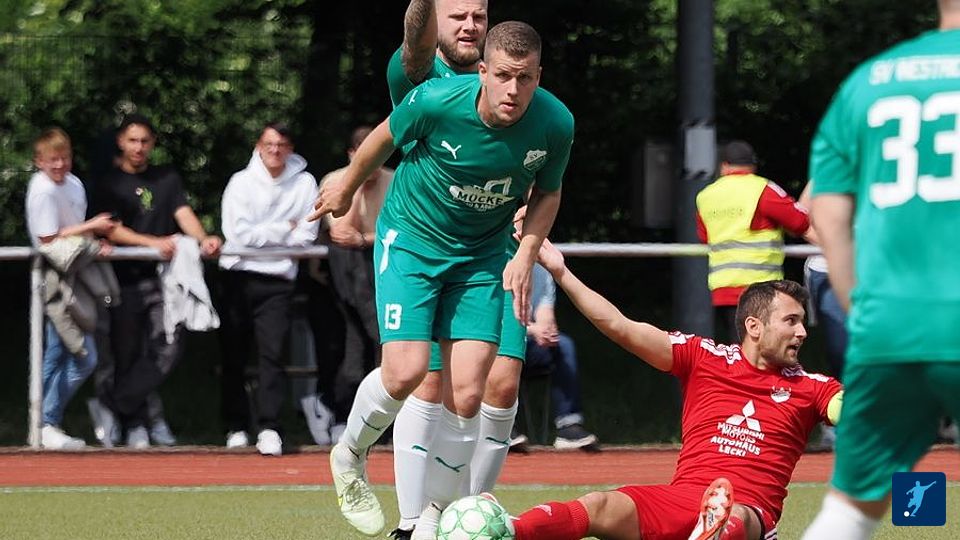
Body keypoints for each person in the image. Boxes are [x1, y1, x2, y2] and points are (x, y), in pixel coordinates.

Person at [311, 21, 573, 538]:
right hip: (412, 243)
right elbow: (383, 137)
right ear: (483, 71)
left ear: (538, 76)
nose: (513, 90)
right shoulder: (435, 99)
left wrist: (526, 252)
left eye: (525, 78)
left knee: (470, 393)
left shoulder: (555, 122)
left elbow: (549, 192)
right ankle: (349, 453)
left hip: (480, 258)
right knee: (406, 371)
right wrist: (344, 189)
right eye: (503, 76)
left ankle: (432, 520)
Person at [492, 241, 842, 540]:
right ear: (754, 326)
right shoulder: (704, 357)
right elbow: (619, 326)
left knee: (734, 520)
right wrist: (560, 271)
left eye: (802, 321)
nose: (802, 332)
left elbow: (852, 408)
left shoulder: (813, 387)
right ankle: (505, 530)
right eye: (791, 321)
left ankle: (712, 531)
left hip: (750, 511)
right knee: (599, 504)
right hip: (681, 500)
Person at [802, 3, 960, 538]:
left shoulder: (867, 82)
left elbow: (825, 213)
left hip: (887, 326)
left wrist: (862, 310)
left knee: (850, 508)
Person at [384, 3, 535, 538]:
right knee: (426, 382)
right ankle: (413, 523)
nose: (469, 25)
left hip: (495, 253)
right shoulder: (419, 74)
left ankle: (467, 514)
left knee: (501, 382)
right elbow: (415, 44)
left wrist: (529, 215)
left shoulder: (511, 76)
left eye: (479, 15)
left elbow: (535, 157)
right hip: (426, 250)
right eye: (456, 15)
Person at [90, 113, 222, 448]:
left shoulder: (167, 179)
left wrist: (204, 239)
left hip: (164, 281)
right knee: (126, 352)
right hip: (124, 282)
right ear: (121, 142)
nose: (139, 147)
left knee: (168, 347)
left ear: (153, 144)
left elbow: (183, 213)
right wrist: (152, 244)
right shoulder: (108, 183)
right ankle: (135, 423)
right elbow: (111, 229)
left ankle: (114, 403)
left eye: (145, 141)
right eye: (132, 141)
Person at [218, 122, 319, 456]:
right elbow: (239, 235)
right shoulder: (240, 182)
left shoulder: (305, 183)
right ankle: (236, 426)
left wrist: (271, 234)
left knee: (272, 355)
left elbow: (306, 237)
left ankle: (269, 427)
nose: (275, 151)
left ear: (290, 149)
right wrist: (284, 229)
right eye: (269, 144)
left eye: (282, 145)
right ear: (258, 146)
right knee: (234, 355)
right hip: (238, 276)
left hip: (279, 281)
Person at [26, 128, 117, 450]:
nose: (60, 165)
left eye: (64, 158)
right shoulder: (42, 190)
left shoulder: (74, 184)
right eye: (53, 159)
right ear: (39, 161)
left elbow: (73, 232)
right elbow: (48, 238)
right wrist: (92, 227)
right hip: (55, 277)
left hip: (76, 274)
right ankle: (45, 422)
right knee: (79, 355)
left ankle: (43, 423)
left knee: (60, 353)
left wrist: (94, 241)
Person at [307, 125, 393, 445]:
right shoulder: (334, 181)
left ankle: (384, 423)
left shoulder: (396, 180)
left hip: (386, 263)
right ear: (352, 155)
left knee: (377, 344)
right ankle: (345, 415)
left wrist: (365, 239)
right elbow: (342, 233)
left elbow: (400, 231)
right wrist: (356, 184)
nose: (373, 163)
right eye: (366, 156)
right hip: (347, 271)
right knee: (355, 345)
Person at [695, 140, 814, 344]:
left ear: (724, 166)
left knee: (740, 349)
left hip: (723, 291)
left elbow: (705, 237)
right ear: (752, 166)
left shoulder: (705, 196)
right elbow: (800, 221)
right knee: (764, 351)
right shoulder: (762, 189)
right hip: (761, 290)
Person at [518, 262, 598, 450]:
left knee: (563, 344)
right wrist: (533, 330)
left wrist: (547, 332)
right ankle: (502, 429)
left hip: (530, 344)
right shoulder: (494, 262)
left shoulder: (541, 271)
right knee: (500, 347)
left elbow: (545, 315)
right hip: (498, 343)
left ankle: (568, 426)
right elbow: (495, 321)